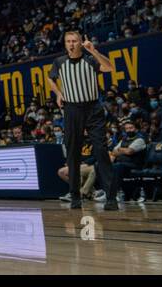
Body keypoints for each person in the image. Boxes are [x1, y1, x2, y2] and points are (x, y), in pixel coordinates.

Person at [47, 29, 119, 211]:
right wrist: (58, 93)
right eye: (68, 41)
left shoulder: (90, 60)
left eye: (75, 41)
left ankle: (111, 198)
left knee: (101, 150)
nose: (72, 44)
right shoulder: (59, 62)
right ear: (65, 44)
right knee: (72, 153)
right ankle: (75, 197)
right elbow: (50, 78)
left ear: (80, 43)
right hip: (72, 109)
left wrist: (93, 50)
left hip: (93, 108)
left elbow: (110, 67)